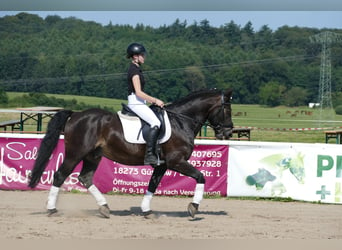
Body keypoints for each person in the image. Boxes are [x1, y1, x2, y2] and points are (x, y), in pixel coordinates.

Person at [126, 42, 165, 166]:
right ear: (135, 56)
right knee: (156, 122)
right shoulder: (134, 71)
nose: (144, 57)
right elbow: (138, 92)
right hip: (136, 102)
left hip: (139, 102)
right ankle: (149, 156)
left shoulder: (137, 69)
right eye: (142, 55)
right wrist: (155, 100)